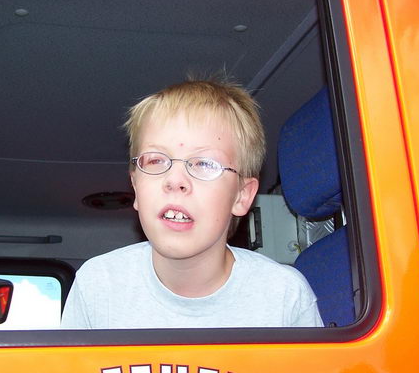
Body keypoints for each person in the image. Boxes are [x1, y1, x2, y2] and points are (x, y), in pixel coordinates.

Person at [60, 79, 322, 329]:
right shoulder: (97, 285)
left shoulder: (285, 297)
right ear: (136, 188)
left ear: (242, 195)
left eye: (204, 164)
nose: (175, 180)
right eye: (156, 161)